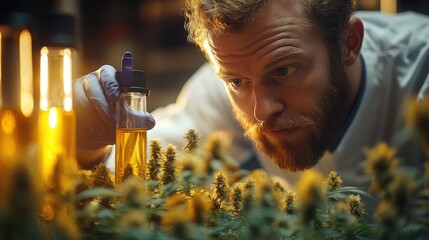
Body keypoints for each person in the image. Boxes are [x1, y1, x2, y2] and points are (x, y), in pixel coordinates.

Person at [73, 0, 429, 217]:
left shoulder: (420, 74)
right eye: (236, 82)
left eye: (284, 71)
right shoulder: (234, 76)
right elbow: (128, 164)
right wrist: (87, 140)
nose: (261, 110)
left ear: (349, 43)